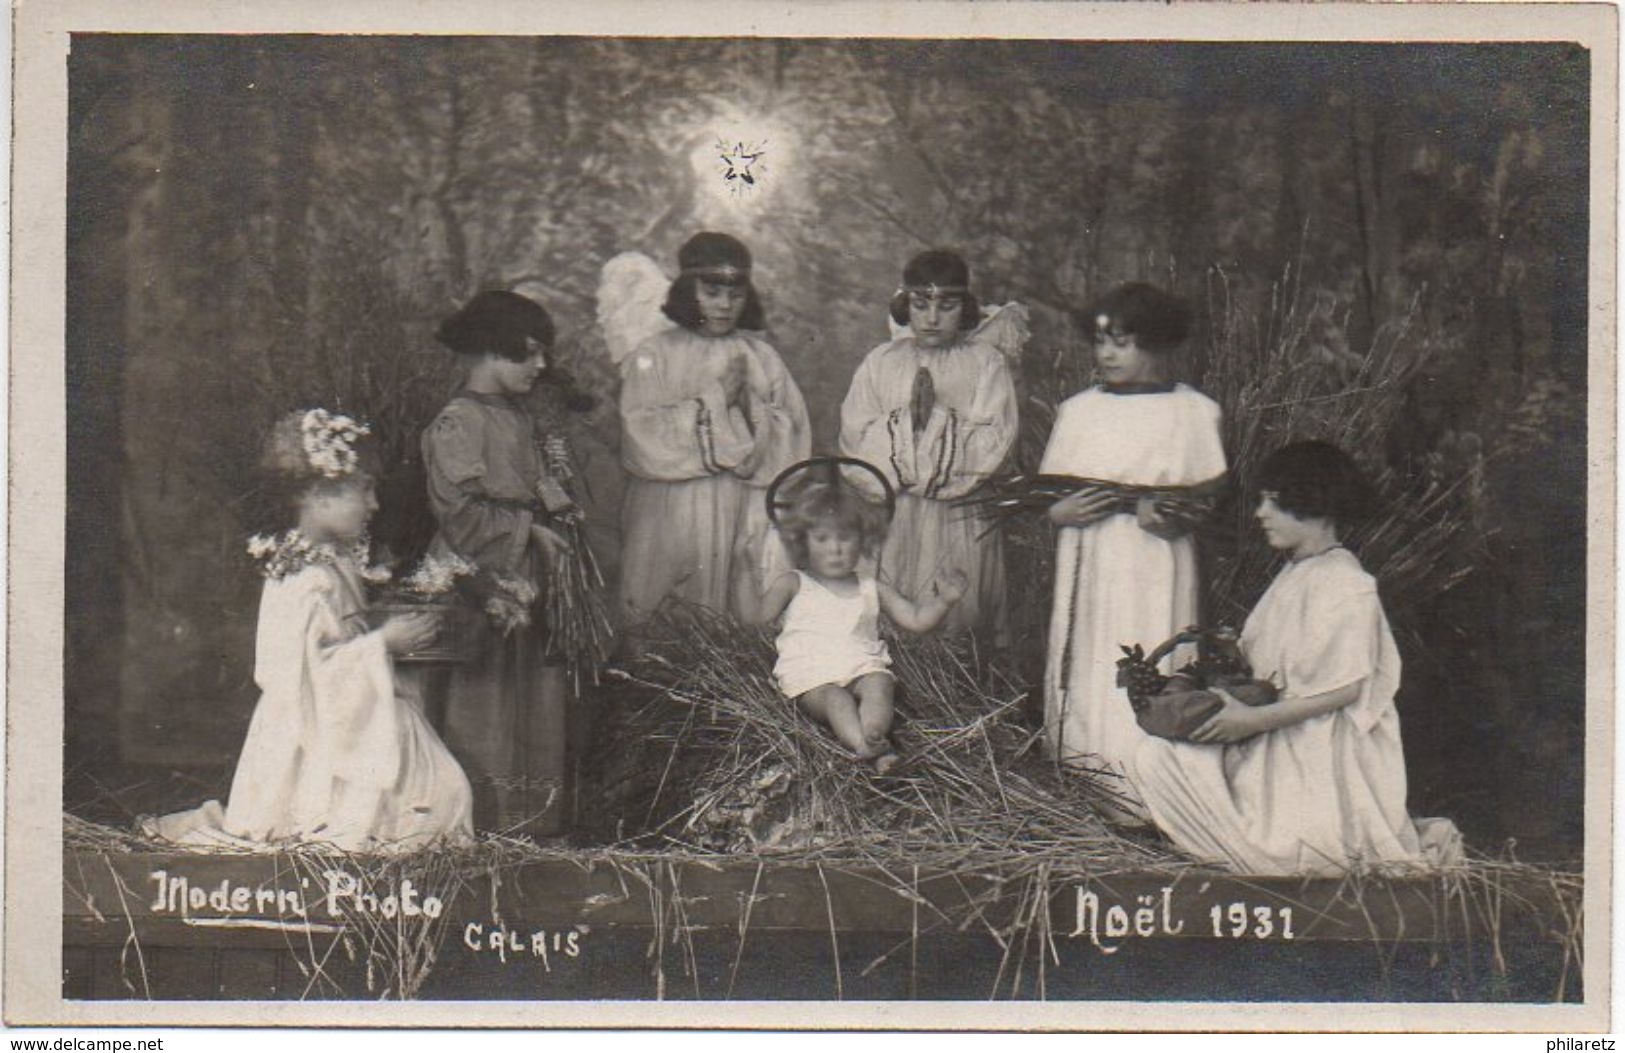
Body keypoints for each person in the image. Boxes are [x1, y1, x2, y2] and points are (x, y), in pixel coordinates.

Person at [143, 409, 473, 852]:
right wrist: (384, 644)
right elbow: (294, 673)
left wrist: (377, 635)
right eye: (365, 490)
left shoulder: (334, 563)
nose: (375, 504)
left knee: (440, 784)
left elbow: (340, 640)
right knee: (422, 790)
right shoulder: (302, 578)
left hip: (349, 709)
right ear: (319, 495)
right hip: (310, 726)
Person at [1131, 441, 1462, 874]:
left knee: (1284, 847)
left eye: (1274, 501)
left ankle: (1280, 846)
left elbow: (1346, 689)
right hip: (1276, 735)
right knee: (1155, 758)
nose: (1260, 514)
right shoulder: (1297, 572)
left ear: (1314, 502)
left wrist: (1251, 722)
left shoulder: (1346, 583)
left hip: (1318, 753)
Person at [1040, 282, 1226, 819]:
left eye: (1122, 342)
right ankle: (1082, 787)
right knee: (1091, 662)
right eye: (1100, 342)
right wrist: (1062, 514)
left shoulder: (1192, 412)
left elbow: (1206, 502)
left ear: (1158, 343)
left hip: (1155, 564)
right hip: (1091, 556)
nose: (1107, 355)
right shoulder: (1078, 412)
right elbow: (1052, 498)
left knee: (1150, 654)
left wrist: (1169, 517)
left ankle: (1148, 798)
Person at [422, 290, 577, 837]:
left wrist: (556, 495)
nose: (541, 366)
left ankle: (527, 822)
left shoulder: (517, 416)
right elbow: (459, 514)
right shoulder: (458, 422)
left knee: (530, 692)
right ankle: (481, 820)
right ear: (488, 351)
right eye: (528, 354)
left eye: (543, 354)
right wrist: (529, 530)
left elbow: (535, 487)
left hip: (527, 574)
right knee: (485, 697)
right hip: (480, 577)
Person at [617, 232, 811, 623]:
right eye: (712, 292)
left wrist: (751, 409)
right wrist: (714, 401)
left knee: (739, 600)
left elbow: (795, 433)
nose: (725, 305)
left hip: (746, 502)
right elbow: (640, 435)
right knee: (671, 603)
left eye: (735, 294)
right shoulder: (655, 354)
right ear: (690, 292)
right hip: (672, 506)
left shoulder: (762, 356)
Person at [733, 471, 967, 773]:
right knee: (837, 699)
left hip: (860, 665)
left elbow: (916, 619)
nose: (835, 548)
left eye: (846, 537)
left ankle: (874, 733)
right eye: (822, 538)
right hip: (812, 677)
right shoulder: (793, 583)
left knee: (880, 684)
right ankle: (863, 746)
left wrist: (944, 601)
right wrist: (742, 570)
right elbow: (754, 617)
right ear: (802, 543)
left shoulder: (871, 586)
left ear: (863, 541)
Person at [838, 250, 1017, 635]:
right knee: (890, 608)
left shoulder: (986, 363)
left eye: (947, 306)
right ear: (906, 305)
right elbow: (854, 435)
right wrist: (906, 426)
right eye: (921, 305)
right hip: (894, 513)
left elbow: (995, 439)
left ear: (965, 308)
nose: (932, 319)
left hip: (958, 515)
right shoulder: (881, 361)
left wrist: (935, 423)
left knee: (957, 611)